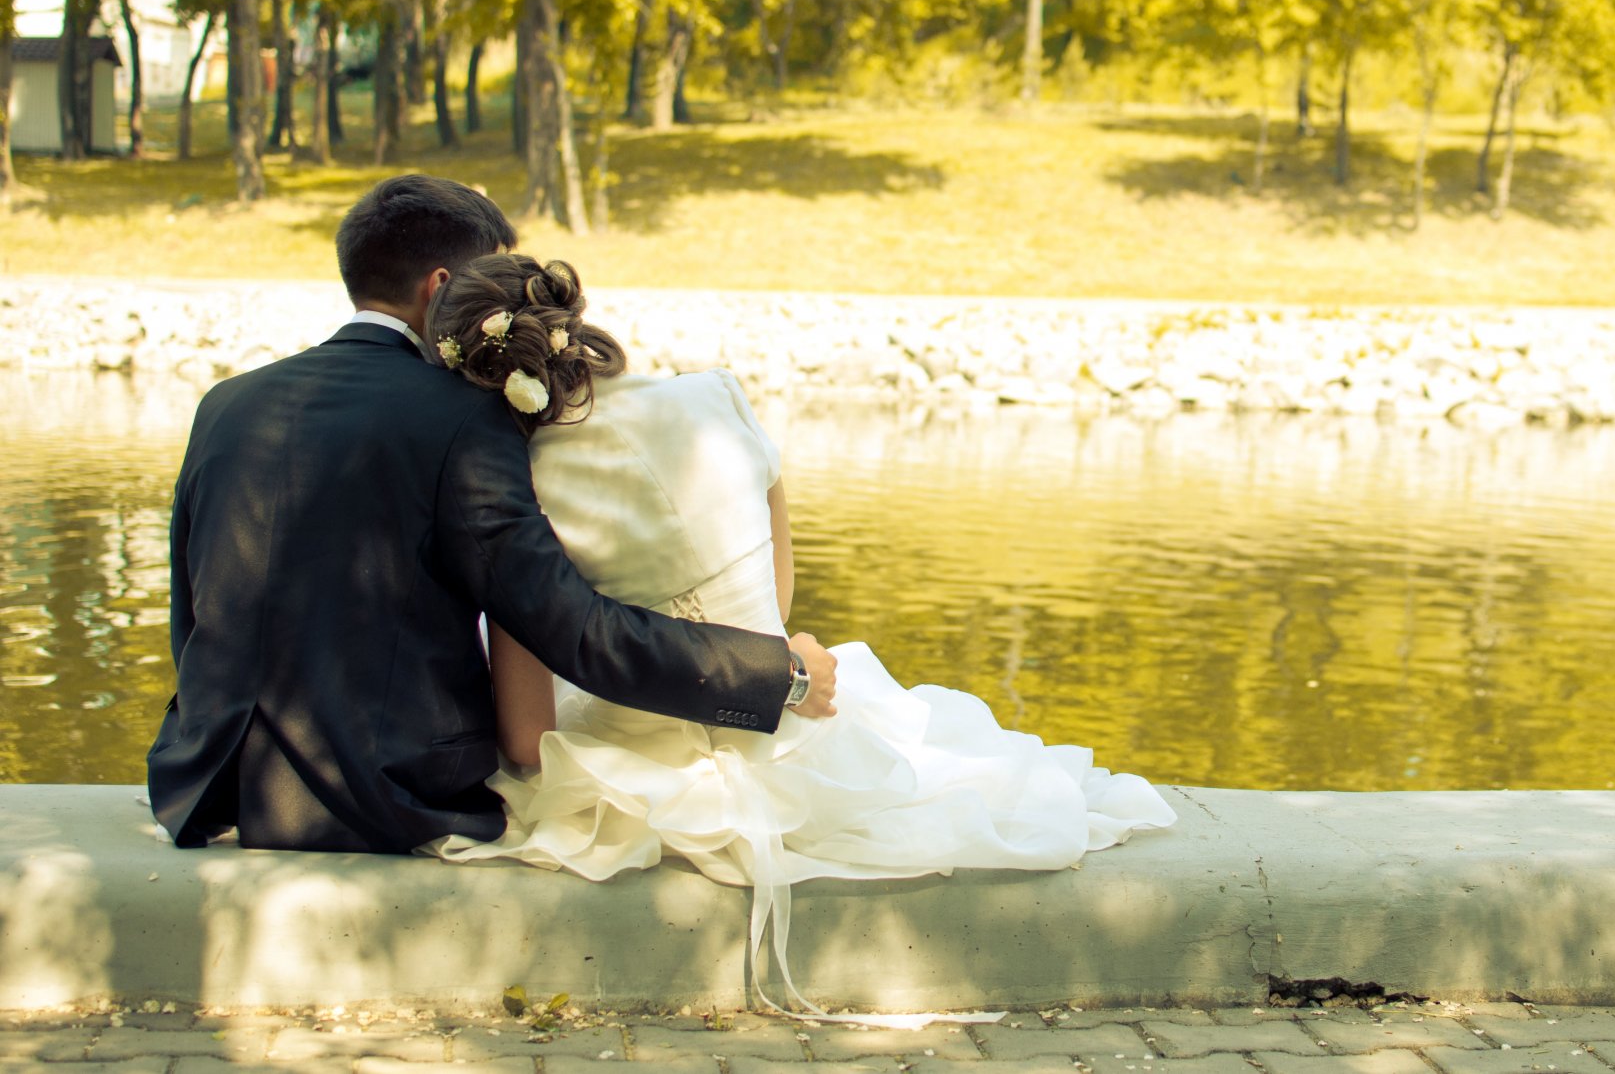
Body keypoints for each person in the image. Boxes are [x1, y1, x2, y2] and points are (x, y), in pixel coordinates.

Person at [420, 252, 1176, 1014]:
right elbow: (775, 601)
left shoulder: (518, 494)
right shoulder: (714, 396)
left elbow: (528, 740)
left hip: (642, 765)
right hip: (794, 720)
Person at [148, 175, 838, 854]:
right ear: (440, 286)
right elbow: (571, 627)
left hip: (216, 781)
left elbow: (193, 609)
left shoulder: (226, 403)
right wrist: (777, 676)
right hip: (388, 795)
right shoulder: (462, 418)